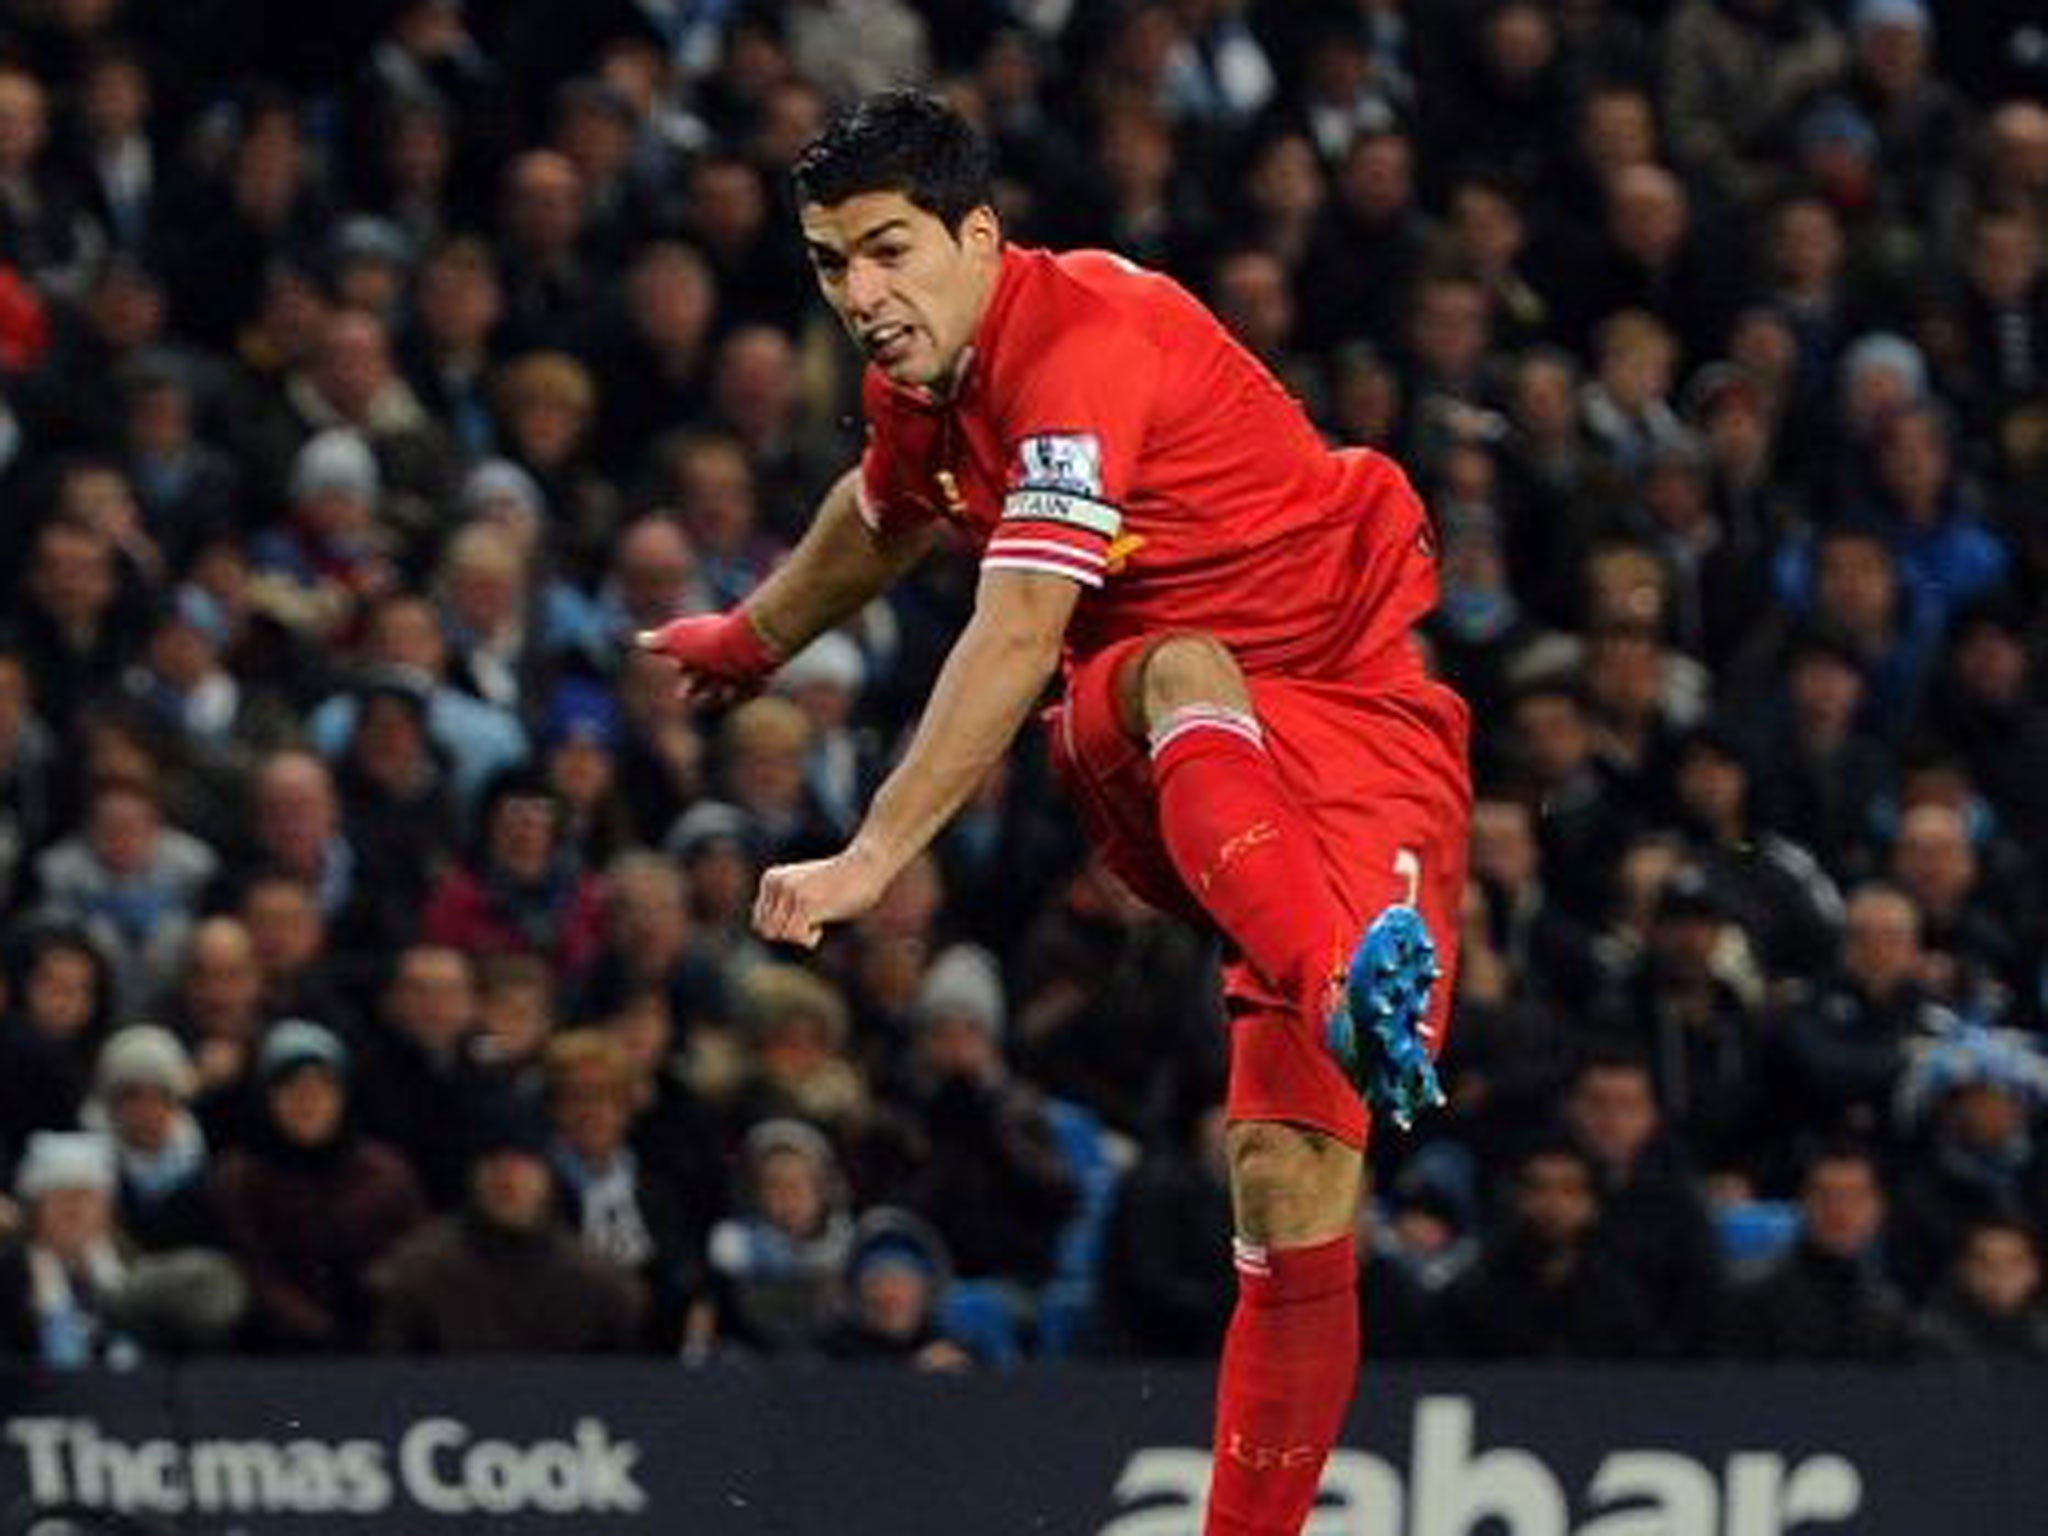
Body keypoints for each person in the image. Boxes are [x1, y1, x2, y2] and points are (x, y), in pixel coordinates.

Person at [639, 91, 1470, 1536]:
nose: (861, 296)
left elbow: (997, 607)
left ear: (979, 233)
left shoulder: (1081, 345)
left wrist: (868, 848)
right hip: (1162, 736)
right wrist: (755, 640)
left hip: (1359, 730)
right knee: (1178, 666)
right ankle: (1335, 981)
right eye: (834, 264)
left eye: (888, 252)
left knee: (1294, 1177)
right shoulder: (933, 378)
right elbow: (897, 523)